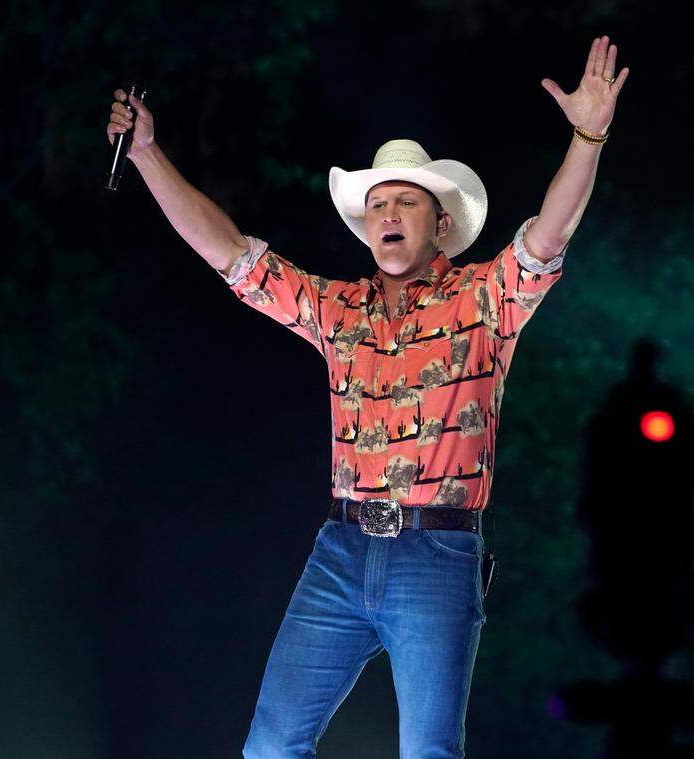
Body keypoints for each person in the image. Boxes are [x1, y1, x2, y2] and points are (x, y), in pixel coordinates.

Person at [105, 35, 629, 758]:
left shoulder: (483, 300)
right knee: (269, 746)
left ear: (439, 222)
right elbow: (231, 254)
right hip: (341, 548)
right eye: (378, 202)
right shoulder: (339, 310)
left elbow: (549, 235)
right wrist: (145, 155)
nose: (389, 212)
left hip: (437, 554)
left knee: (429, 754)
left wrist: (587, 134)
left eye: (406, 201)